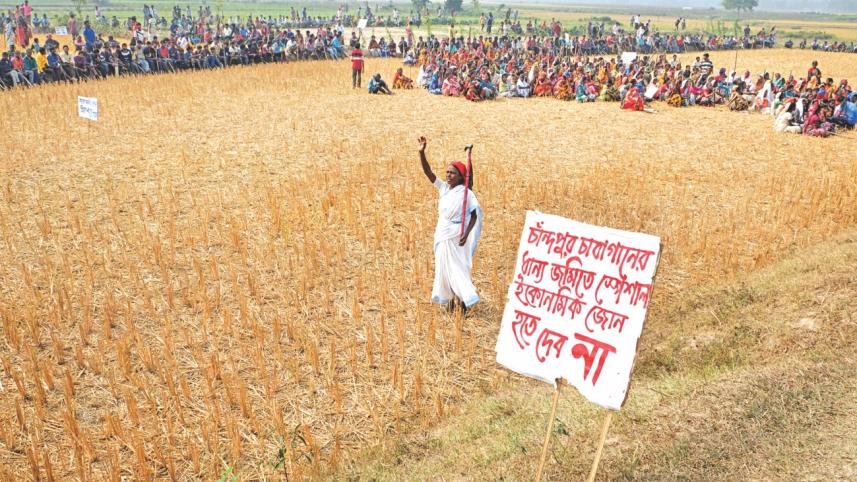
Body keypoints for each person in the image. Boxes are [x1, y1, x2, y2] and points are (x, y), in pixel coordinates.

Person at [418, 136, 482, 313]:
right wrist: (421, 152)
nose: (448, 175)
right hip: (442, 233)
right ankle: (449, 300)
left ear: (461, 177)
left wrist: (466, 233)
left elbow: (475, 216)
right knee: (443, 268)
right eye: (447, 172)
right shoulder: (444, 188)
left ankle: (464, 301)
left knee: (457, 269)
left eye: (452, 173)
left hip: (457, 236)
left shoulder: (466, 193)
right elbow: (428, 172)